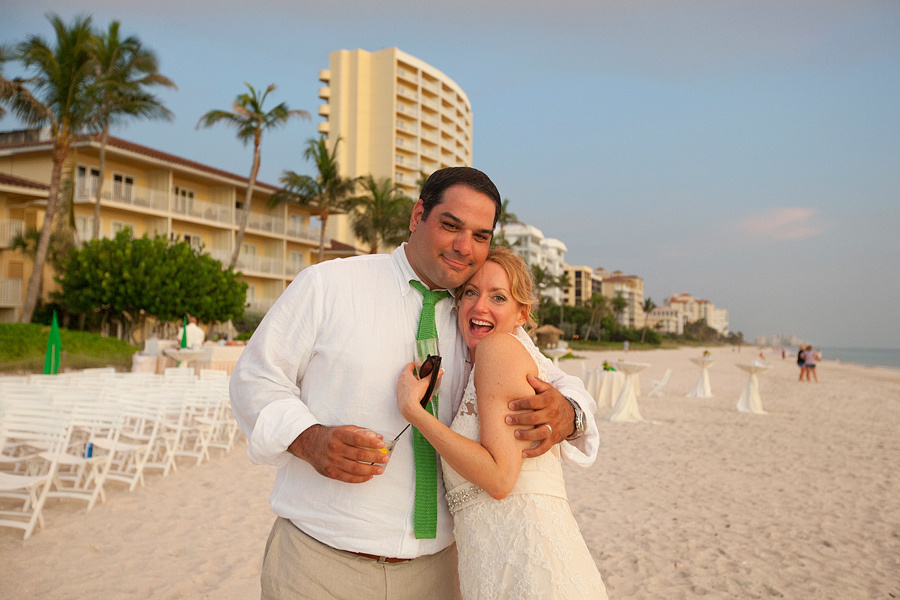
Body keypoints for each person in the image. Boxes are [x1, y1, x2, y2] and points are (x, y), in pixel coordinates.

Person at [229, 167, 599, 600]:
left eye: (481, 236)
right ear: (417, 215)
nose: (465, 247)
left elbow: (559, 381)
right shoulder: (330, 285)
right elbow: (255, 378)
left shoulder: (478, 318)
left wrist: (569, 414)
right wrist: (308, 440)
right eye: (450, 226)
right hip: (319, 564)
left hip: (440, 575)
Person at [397, 247, 607, 599]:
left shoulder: (498, 349)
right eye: (470, 293)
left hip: (528, 565)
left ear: (521, 313)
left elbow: (499, 479)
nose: (480, 307)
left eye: (498, 297)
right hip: (498, 567)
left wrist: (414, 412)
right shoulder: (497, 358)